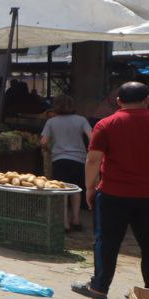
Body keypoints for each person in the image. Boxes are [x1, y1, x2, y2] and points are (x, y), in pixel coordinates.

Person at [72, 82, 149, 299]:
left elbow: (93, 159)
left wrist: (90, 188)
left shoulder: (107, 124)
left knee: (107, 241)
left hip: (114, 193)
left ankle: (99, 287)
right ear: (147, 100)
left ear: (119, 102)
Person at [40, 94, 92, 231]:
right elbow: (92, 138)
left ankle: (65, 223)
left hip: (59, 160)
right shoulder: (82, 120)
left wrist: (50, 150)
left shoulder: (52, 122)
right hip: (79, 160)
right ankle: (76, 219)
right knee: (76, 189)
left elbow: (43, 142)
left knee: (61, 191)